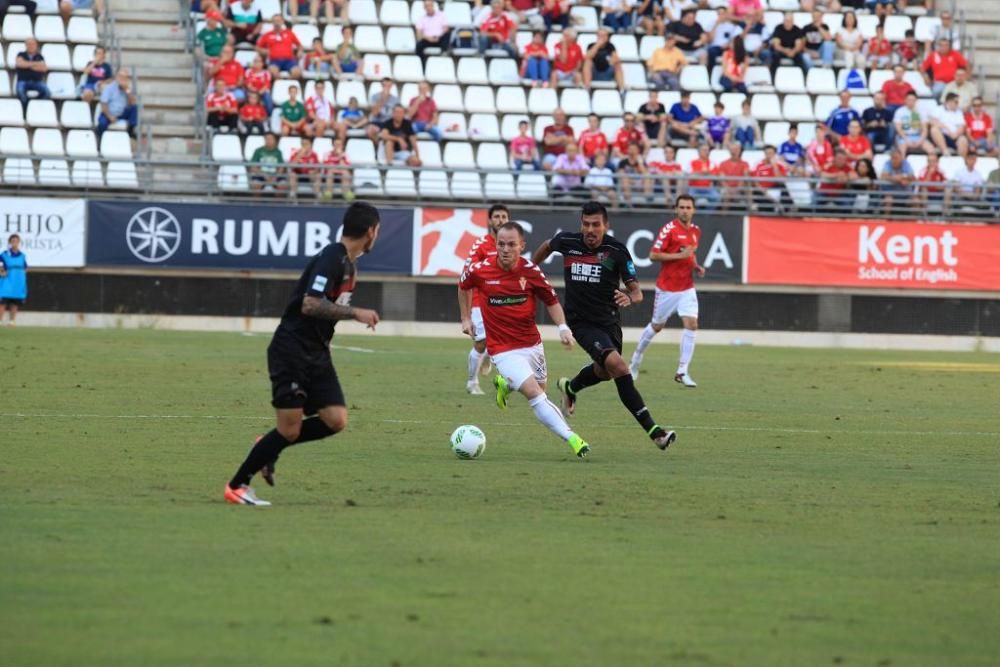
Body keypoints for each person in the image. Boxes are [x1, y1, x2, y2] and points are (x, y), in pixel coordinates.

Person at [224, 202, 382, 506]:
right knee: (289, 428)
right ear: (370, 231)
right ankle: (237, 485)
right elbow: (310, 303)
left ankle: (269, 445)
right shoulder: (331, 258)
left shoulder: (349, 265)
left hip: (317, 353)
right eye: (378, 231)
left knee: (335, 420)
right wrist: (355, 313)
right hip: (291, 350)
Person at [532, 202, 677, 451]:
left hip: (609, 323)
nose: (590, 229)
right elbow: (547, 245)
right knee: (619, 366)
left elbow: (638, 292)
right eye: (586, 224)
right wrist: (531, 270)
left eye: (596, 225)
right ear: (581, 224)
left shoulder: (616, 251)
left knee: (605, 372)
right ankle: (655, 431)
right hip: (580, 322)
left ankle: (571, 386)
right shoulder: (567, 241)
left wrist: (629, 297)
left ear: (606, 226)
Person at [459, 222, 592, 458]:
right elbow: (463, 285)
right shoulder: (480, 270)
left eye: (511, 244)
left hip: (532, 345)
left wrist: (563, 328)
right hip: (502, 349)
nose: (505, 249)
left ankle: (505, 384)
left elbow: (551, 300)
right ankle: (573, 438)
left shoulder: (530, 271)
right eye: (501, 244)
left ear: (522, 246)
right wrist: (466, 317)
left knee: (540, 387)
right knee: (536, 394)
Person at [629, 195, 703, 385]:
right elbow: (653, 255)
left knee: (692, 324)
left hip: (687, 287)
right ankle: (636, 359)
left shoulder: (696, 231)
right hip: (667, 288)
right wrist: (679, 256)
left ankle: (683, 371)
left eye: (688, 207)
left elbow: (690, 255)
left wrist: (696, 266)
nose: (685, 210)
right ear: (676, 209)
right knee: (656, 326)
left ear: (693, 210)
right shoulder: (669, 230)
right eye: (682, 207)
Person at [460, 204, 507, 394]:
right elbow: (466, 275)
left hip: (504, 300)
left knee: (504, 341)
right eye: (496, 216)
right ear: (490, 221)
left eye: (504, 216)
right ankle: (472, 383)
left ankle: (490, 357)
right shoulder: (481, 245)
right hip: (481, 300)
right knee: (481, 342)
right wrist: (466, 316)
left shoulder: (512, 246)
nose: (500, 220)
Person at [257, 14, 303, 80]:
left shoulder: (289, 33)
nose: (276, 23)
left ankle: (287, 84)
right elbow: (258, 47)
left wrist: (300, 51)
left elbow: (299, 45)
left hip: (289, 60)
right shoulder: (267, 35)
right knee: (273, 72)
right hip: (274, 61)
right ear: (272, 22)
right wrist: (263, 51)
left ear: (282, 21)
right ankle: (280, 85)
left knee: (297, 72)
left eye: (278, 21)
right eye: (274, 21)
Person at [97, 69, 138, 140]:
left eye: (124, 77)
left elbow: (132, 103)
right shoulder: (109, 87)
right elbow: (103, 105)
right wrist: (110, 116)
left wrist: (127, 91)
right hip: (109, 113)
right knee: (102, 123)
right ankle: (100, 141)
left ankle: (130, 131)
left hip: (122, 113)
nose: (122, 79)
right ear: (116, 77)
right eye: (120, 77)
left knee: (134, 108)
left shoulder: (128, 88)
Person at [765, 11, 808, 77]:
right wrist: (786, 50)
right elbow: (776, 46)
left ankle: (802, 78)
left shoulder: (797, 30)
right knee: (775, 57)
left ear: (793, 21)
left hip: (793, 51)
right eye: (786, 21)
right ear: (783, 20)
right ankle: (773, 78)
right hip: (781, 51)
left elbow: (798, 46)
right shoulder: (778, 28)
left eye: (789, 21)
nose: (788, 23)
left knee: (800, 59)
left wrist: (793, 51)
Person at [893, 92, 934, 157]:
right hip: (904, 136)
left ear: (916, 101)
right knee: (901, 152)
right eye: (909, 100)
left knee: (931, 151)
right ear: (905, 100)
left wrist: (920, 140)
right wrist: (906, 139)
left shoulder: (921, 111)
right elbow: (898, 129)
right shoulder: (900, 111)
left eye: (913, 100)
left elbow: (925, 129)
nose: (911, 102)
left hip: (918, 136)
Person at [14, 38, 50, 110]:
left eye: (33, 44)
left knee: (47, 92)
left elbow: (44, 68)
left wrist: (26, 65)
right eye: (29, 44)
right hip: (23, 81)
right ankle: (25, 110)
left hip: (37, 82)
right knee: (20, 92)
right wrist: (36, 64)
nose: (31, 46)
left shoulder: (40, 56)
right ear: (26, 45)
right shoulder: (21, 54)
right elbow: (19, 64)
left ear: (36, 45)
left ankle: (35, 107)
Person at [930, 93, 969, 157]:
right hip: (942, 135)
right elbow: (932, 122)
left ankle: (961, 161)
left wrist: (955, 134)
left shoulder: (958, 112)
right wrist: (947, 129)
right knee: (934, 130)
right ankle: (945, 152)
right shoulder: (939, 109)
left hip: (955, 136)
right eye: (956, 102)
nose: (957, 104)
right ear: (949, 101)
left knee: (963, 139)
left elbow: (962, 127)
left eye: (957, 102)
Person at [751, 144, 789, 209]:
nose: (769, 155)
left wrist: (774, 166)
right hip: (762, 191)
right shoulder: (758, 164)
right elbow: (755, 182)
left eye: (771, 153)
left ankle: (788, 208)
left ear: (774, 154)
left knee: (783, 186)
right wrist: (764, 192)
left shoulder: (780, 165)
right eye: (767, 153)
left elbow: (780, 180)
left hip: (774, 188)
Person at [0, 234, 27, 326]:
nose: (15, 243)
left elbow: (25, 267)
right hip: (7, 280)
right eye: (13, 241)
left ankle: (12, 321)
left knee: (15, 302)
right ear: (10, 242)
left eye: (16, 241)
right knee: (3, 301)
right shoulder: (4, 254)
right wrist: (1, 271)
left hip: (18, 281)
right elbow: (0, 264)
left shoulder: (22, 255)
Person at [879, 149, 915, 215]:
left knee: (916, 201)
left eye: (896, 158)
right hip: (890, 194)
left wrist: (902, 177)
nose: (894, 160)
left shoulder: (905, 164)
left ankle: (914, 223)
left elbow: (912, 177)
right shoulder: (887, 163)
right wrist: (896, 179)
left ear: (901, 158)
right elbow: (883, 176)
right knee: (888, 200)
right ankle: (886, 221)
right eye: (892, 158)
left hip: (905, 195)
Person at [717, 142, 751, 210]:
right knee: (726, 194)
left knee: (749, 189)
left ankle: (751, 211)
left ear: (739, 151)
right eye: (732, 150)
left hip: (739, 188)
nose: (734, 152)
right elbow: (722, 179)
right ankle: (723, 215)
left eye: (736, 150)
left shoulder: (745, 164)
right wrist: (729, 189)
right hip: (727, 188)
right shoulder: (723, 163)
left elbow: (745, 177)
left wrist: (737, 189)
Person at [706, 7, 741, 72]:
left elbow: (735, 40)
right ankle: (710, 72)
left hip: (728, 47)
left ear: (726, 14)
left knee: (737, 51)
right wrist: (716, 25)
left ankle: (732, 72)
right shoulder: (711, 24)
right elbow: (710, 40)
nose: (721, 15)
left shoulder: (732, 26)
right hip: (715, 47)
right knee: (711, 51)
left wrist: (728, 44)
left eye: (723, 13)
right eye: (719, 14)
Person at [688, 143, 720, 210]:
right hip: (694, 187)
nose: (707, 152)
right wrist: (703, 172)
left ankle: (708, 215)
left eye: (708, 150)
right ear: (699, 152)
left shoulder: (712, 163)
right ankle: (695, 214)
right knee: (689, 198)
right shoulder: (692, 162)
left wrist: (699, 173)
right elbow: (690, 175)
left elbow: (715, 175)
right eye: (704, 150)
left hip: (708, 188)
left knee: (717, 197)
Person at [365, 78, 398, 142]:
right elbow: (375, 113)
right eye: (385, 85)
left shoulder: (395, 99)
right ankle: (378, 145)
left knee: (389, 133)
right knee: (370, 130)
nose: (387, 88)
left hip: (388, 123)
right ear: (381, 86)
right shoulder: (375, 96)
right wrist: (382, 98)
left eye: (389, 86)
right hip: (376, 122)